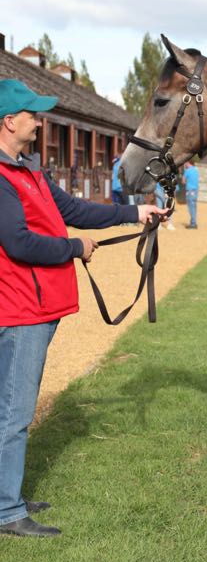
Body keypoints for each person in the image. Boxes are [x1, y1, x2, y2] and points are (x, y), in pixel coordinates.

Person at [0, 79, 166, 537]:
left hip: (34, 305)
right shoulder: (2, 179)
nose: (39, 122)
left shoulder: (28, 171)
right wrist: (75, 248)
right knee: (14, 412)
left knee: (9, 407)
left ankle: (7, 494)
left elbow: (74, 209)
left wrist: (135, 214)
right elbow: (18, 243)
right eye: (32, 115)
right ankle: (7, 512)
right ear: (9, 122)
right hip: (21, 309)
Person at [182, 161, 199, 229]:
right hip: (195, 191)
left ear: (188, 163)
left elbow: (183, 181)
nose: (185, 164)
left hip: (190, 190)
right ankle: (193, 222)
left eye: (185, 163)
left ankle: (193, 224)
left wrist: (186, 181)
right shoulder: (195, 170)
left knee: (191, 208)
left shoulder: (187, 170)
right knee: (194, 207)